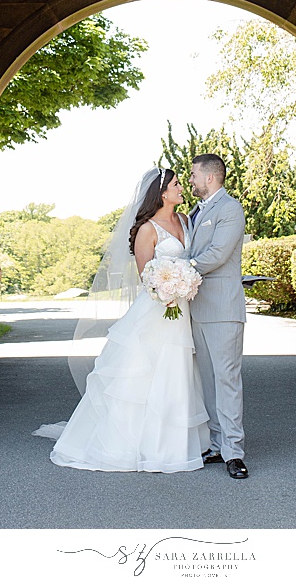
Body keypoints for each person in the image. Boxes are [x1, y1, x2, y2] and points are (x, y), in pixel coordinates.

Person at [33, 167, 209, 472]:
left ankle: (175, 446)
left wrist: (184, 284)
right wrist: (170, 289)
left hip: (184, 310)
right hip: (158, 310)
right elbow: (147, 277)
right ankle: (135, 446)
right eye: (177, 184)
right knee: (146, 375)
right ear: (162, 192)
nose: (182, 188)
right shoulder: (147, 229)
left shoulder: (184, 220)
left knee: (178, 374)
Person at [185, 153, 250, 479]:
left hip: (223, 309)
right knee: (207, 380)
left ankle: (234, 453)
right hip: (196, 309)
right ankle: (215, 443)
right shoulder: (196, 212)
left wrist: (179, 269)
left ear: (210, 177)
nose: (191, 180)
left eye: (194, 174)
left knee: (227, 381)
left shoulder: (229, 209)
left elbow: (217, 255)